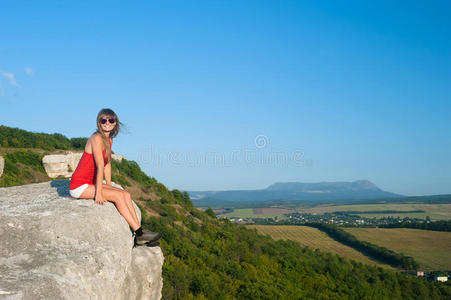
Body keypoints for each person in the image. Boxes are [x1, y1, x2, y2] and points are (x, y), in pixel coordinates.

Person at [69, 108, 161, 246]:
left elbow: (107, 164)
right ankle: (140, 234)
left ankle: (140, 232)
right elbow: (100, 166)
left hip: (90, 183)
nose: (107, 123)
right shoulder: (96, 138)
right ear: (99, 122)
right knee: (118, 197)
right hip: (79, 186)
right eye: (103, 120)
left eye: (110, 120)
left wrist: (110, 186)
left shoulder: (108, 139)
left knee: (125, 194)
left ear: (115, 123)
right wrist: (99, 193)